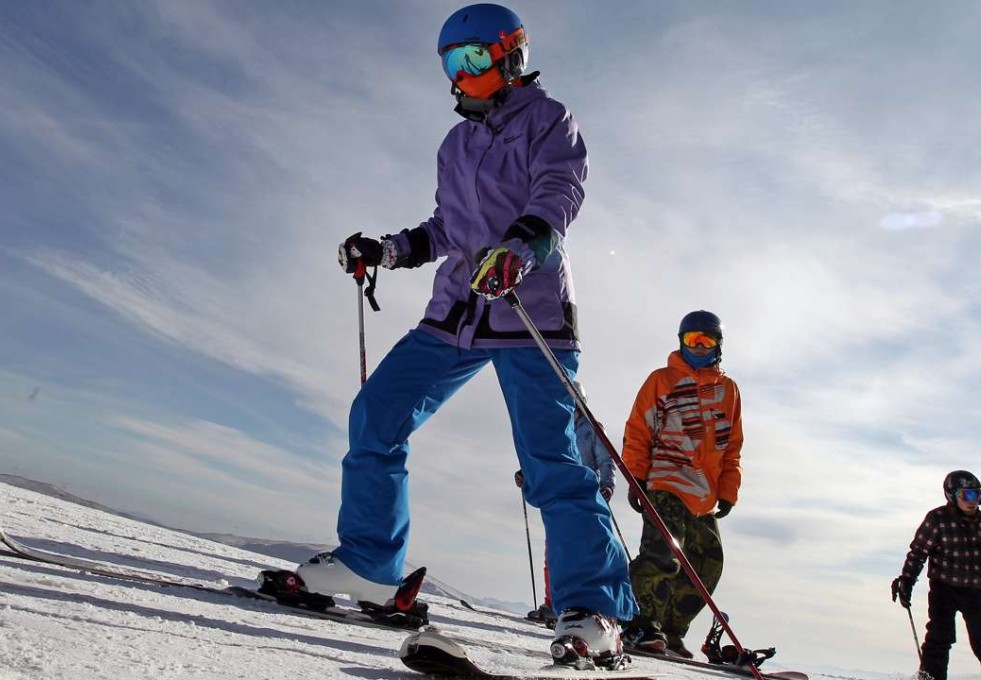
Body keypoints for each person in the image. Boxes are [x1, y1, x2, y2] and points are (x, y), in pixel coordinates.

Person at [293, 3, 636, 668]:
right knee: (378, 413)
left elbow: (559, 193)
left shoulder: (547, 119)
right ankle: (369, 563)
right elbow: (446, 228)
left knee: (554, 464)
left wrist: (524, 246)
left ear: (511, 56)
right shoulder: (455, 145)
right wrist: (386, 251)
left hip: (526, 311)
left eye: (475, 59)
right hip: (456, 314)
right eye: (453, 64)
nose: (462, 75)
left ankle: (595, 612)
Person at [619, 310, 743, 658]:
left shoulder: (728, 390)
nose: (699, 348)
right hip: (666, 479)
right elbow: (638, 430)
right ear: (680, 342)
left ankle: (671, 630)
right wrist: (636, 477)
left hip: (704, 492)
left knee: (707, 561)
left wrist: (728, 489)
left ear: (719, 346)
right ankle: (641, 623)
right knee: (662, 555)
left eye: (707, 341)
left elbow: (733, 445)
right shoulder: (661, 380)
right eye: (692, 341)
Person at [891, 470, 981, 680]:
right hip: (944, 589)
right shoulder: (937, 519)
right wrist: (907, 580)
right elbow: (919, 552)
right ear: (952, 495)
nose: (973, 501)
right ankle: (931, 677)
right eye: (967, 495)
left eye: (977, 494)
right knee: (939, 639)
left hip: (976, 591)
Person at [515, 380, 616, 624]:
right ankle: (553, 604)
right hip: (559, 493)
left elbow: (606, 460)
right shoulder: (554, 430)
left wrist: (607, 484)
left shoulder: (592, 429)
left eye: (572, 401)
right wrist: (526, 473)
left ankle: (588, 605)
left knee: (583, 550)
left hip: (585, 494)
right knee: (556, 550)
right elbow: (542, 458)